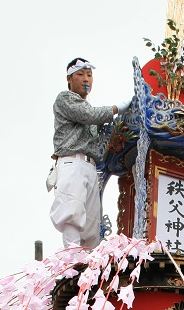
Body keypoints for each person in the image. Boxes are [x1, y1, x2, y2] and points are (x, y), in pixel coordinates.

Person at [49, 57, 131, 249]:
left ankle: (86, 266)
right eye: (80, 74)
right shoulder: (65, 99)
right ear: (69, 78)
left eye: (89, 75)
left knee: (91, 223)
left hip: (90, 166)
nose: (86, 79)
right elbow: (89, 115)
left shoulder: (89, 109)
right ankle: (71, 258)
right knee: (72, 212)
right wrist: (117, 109)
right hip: (72, 162)